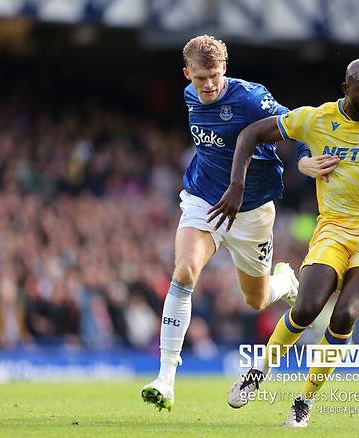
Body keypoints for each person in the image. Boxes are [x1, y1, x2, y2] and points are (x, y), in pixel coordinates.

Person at [209, 58, 359, 427]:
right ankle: (259, 372)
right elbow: (250, 135)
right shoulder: (316, 119)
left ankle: (305, 400)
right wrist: (237, 184)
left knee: (344, 313)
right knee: (307, 307)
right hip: (334, 228)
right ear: (346, 89)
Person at [141, 35, 340, 412]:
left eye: (215, 76)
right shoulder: (189, 97)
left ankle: (285, 281)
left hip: (252, 212)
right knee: (184, 272)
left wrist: (303, 161)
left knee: (257, 299)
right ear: (188, 74)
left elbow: (297, 125)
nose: (209, 85)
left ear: (225, 70)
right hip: (204, 200)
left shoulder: (250, 98)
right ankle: (166, 378)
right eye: (201, 78)